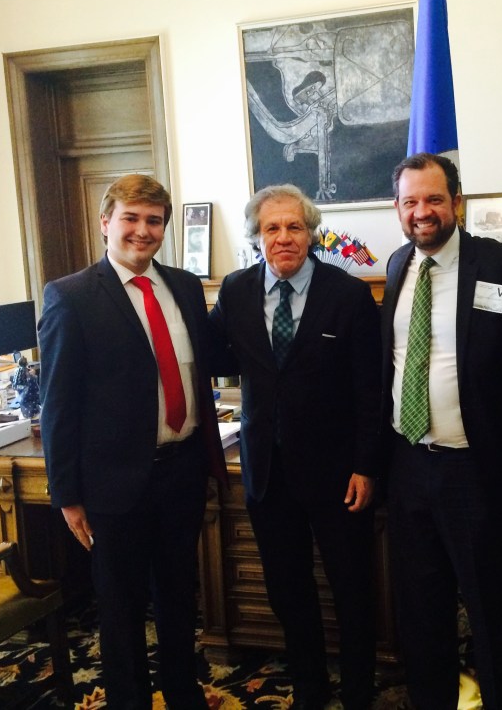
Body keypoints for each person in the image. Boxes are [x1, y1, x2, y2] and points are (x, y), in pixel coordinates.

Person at [38, 174, 226, 709]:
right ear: (106, 223)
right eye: (131, 218)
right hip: (113, 484)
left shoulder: (185, 287)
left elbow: (199, 369)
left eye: (154, 221)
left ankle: (183, 692)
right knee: (120, 606)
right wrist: (67, 495)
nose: (143, 231)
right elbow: (58, 404)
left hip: (182, 471)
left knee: (178, 595)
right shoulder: (71, 296)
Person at [208, 184, 381, 710]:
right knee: (287, 587)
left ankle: (358, 690)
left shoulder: (347, 294)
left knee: (352, 587)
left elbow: (369, 389)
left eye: (294, 227)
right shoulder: (235, 291)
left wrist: (366, 465)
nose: (283, 237)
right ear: (256, 236)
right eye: (272, 228)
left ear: (311, 234)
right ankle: (309, 684)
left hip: (338, 475)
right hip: (268, 471)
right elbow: (213, 359)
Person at [380, 152, 502, 710]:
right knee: (421, 607)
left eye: (433, 199)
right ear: (397, 208)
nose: (422, 212)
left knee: (492, 607)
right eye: (410, 202)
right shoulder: (397, 264)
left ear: (458, 203)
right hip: (409, 465)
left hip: (476, 470)